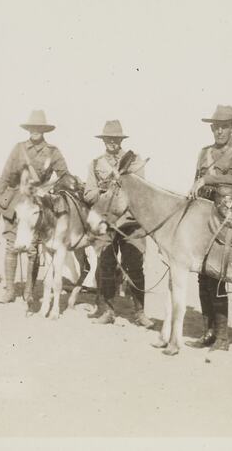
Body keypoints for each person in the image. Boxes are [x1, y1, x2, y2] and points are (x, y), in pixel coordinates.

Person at [186, 105, 232, 352]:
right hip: (202, 216)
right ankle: (208, 332)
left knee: (218, 272)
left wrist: (208, 180)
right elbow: (195, 180)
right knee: (203, 276)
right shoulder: (204, 153)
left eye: (224, 126)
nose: (219, 131)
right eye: (216, 127)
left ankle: (223, 337)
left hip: (226, 215)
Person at [0, 110, 69, 304]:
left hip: (37, 205)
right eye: (32, 128)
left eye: (39, 128)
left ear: (44, 131)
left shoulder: (53, 152)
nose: (35, 131)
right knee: (11, 245)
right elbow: (5, 176)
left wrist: (49, 190)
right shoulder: (18, 149)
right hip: (15, 202)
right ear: (28, 129)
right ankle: (10, 290)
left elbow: (64, 176)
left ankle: (29, 291)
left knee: (32, 248)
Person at [83, 120, 154, 328]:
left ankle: (140, 313)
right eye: (108, 139)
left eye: (116, 139)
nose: (112, 142)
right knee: (106, 266)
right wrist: (103, 190)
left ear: (121, 140)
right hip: (107, 223)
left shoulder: (134, 161)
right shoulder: (95, 165)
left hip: (131, 222)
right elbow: (88, 195)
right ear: (103, 141)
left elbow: (140, 191)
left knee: (135, 267)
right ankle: (108, 310)